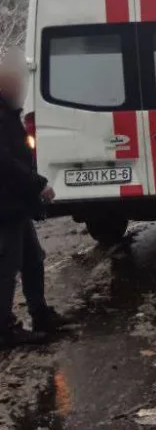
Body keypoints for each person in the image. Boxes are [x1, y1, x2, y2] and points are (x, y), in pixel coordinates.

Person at [0, 52, 69, 348]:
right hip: (4, 207)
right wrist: (38, 185)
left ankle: (40, 313)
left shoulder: (7, 112)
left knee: (33, 260)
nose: (22, 89)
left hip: (16, 205)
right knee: (6, 267)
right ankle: (4, 330)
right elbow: (4, 164)